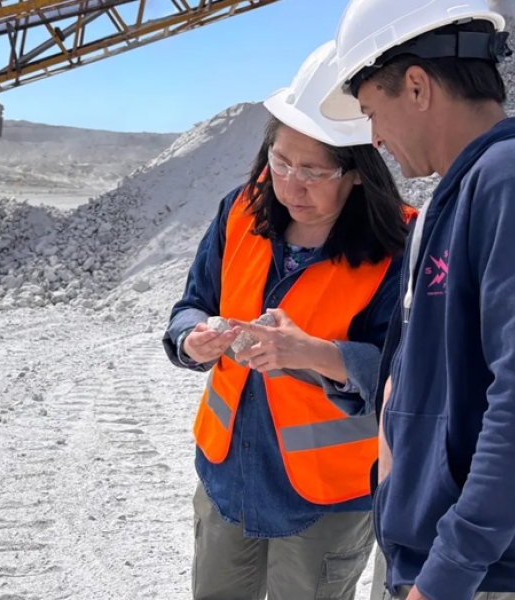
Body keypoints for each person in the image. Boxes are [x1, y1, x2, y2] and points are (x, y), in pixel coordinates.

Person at [314, 1, 515, 599]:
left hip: (476, 567)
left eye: (371, 113)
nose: (375, 139)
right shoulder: (464, 193)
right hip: (441, 547)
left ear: (415, 86)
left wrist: (448, 575)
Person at [162, 40, 414, 600]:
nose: (292, 185)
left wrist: (313, 353)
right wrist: (194, 339)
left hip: (325, 501)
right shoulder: (240, 211)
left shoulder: (397, 245)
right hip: (228, 478)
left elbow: (409, 374)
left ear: (356, 173)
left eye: (315, 172)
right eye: (281, 163)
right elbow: (190, 305)